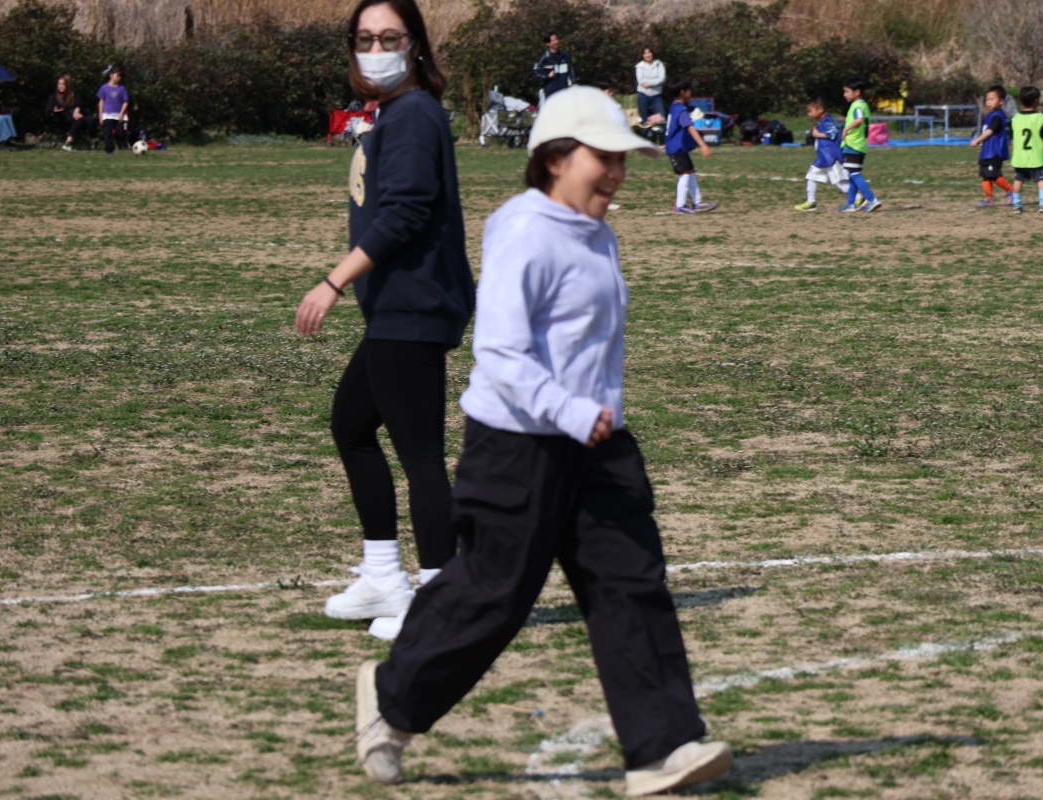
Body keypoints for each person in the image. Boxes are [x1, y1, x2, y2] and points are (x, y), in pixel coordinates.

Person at [353, 85, 734, 796]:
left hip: (598, 444)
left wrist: (598, 417)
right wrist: (567, 410)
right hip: (517, 444)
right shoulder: (525, 229)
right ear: (555, 159)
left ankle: (663, 749)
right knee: (494, 594)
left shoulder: (597, 230)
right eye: (603, 158)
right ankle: (391, 698)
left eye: (623, 160)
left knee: (630, 583)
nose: (617, 173)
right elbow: (501, 351)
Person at [294, 0, 474, 640]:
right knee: (351, 426)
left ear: (415, 44)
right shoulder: (393, 112)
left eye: (389, 38)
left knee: (420, 457)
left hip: (415, 304)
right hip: (396, 309)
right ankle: (382, 578)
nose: (376, 50)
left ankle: (442, 603)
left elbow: (405, 212)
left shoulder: (416, 113)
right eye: (365, 39)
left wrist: (333, 281)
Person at [664, 76, 714, 214]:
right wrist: (703, 145)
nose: (690, 92)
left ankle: (697, 202)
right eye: (689, 89)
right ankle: (680, 205)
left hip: (677, 147)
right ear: (682, 92)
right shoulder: (681, 110)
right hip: (677, 148)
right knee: (685, 174)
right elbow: (690, 127)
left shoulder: (674, 107)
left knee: (690, 172)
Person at [794, 98, 851, 211]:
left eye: (811, 111)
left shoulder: (827, 121)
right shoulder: (823, 121)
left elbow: (833, 134)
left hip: (831, 158)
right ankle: (811, 202)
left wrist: (816, 134)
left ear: (820, 109)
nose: (809, 114)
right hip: (823, 158)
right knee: (811, 176)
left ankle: (859, 198)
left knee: (841, 184)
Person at [839, 77, 881, 213]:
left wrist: (846, 129)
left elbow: (859, 120)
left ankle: (872, 199)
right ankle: (851, 203)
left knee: (854, 174)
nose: (844, 94)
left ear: (857, 92)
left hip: (853, 145)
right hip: (859, 145)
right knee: (852, 173)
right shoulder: (864, 105)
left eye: (846, 91)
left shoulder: (857, 106)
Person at [968, 86, 1015, 208]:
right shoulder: (990, 115)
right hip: (987, 152)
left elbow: (990, 131)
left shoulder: (998, 116)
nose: (988, 102)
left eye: (992, 99)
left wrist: (977, 140)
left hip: (994, 152)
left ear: (1001, 101)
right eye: (987, 100)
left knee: (994, 175)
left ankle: (1011, 190)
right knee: (985, 175)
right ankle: (988, 199)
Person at [1009, 85, 1043, 214]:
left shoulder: (1015, 119)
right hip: (1035, 157)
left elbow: (1013, 140)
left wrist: (1015, 154)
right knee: (1041, 180)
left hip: (1020, 158)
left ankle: (1017, 205)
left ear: (1020, 101)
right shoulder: (1041, 119)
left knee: (1018, 180)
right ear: (1036, 101)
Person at [46, 74, 96, 151]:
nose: (60, 86)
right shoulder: (54, 97)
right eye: (59, 84)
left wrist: (76, 111)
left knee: (90, 119)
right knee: (78, 119)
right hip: (62, 119)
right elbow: (48, 112)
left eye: (63, 84)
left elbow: (79, 104)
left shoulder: (74, 94)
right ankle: (68, 142)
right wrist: (54, 111)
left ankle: (93, 140)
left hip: (75, 117)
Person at [532, 31, 575, 102]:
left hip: (565, 92)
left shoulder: (565, 55)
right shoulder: (544, 58)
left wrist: (572, 85)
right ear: (548, 44)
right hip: (551, 94)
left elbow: (571, 72)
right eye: (554, 40)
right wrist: (547, 76)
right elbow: (535, 72)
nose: (556, 42)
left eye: (557, 39)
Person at [96, 67, 130, 155]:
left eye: (120, 76)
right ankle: (109, 150)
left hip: (118, 115)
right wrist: (100, 115)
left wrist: (121, 113)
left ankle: (122, 146)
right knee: (107, 134)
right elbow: (101, 102)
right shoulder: (104, 88)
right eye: (117, 75)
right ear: (111, 75)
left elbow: (125, 102)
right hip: (107, 115)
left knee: (120, 133)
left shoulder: (122, 88)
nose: (119, 78)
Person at [635, 47, 666, 124]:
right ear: (642, 55)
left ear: (652, 53)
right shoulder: (639, 66)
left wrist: (650, 84)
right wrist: (657, 82)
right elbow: (641, 81)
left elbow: (662, 78)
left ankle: (662, 132)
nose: (647, 55)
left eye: (649, 53)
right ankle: (645, 132)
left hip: (656, 96)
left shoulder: (658, 64)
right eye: (645, 53)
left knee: (662, 119)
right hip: (643, 95)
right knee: (644, 120)